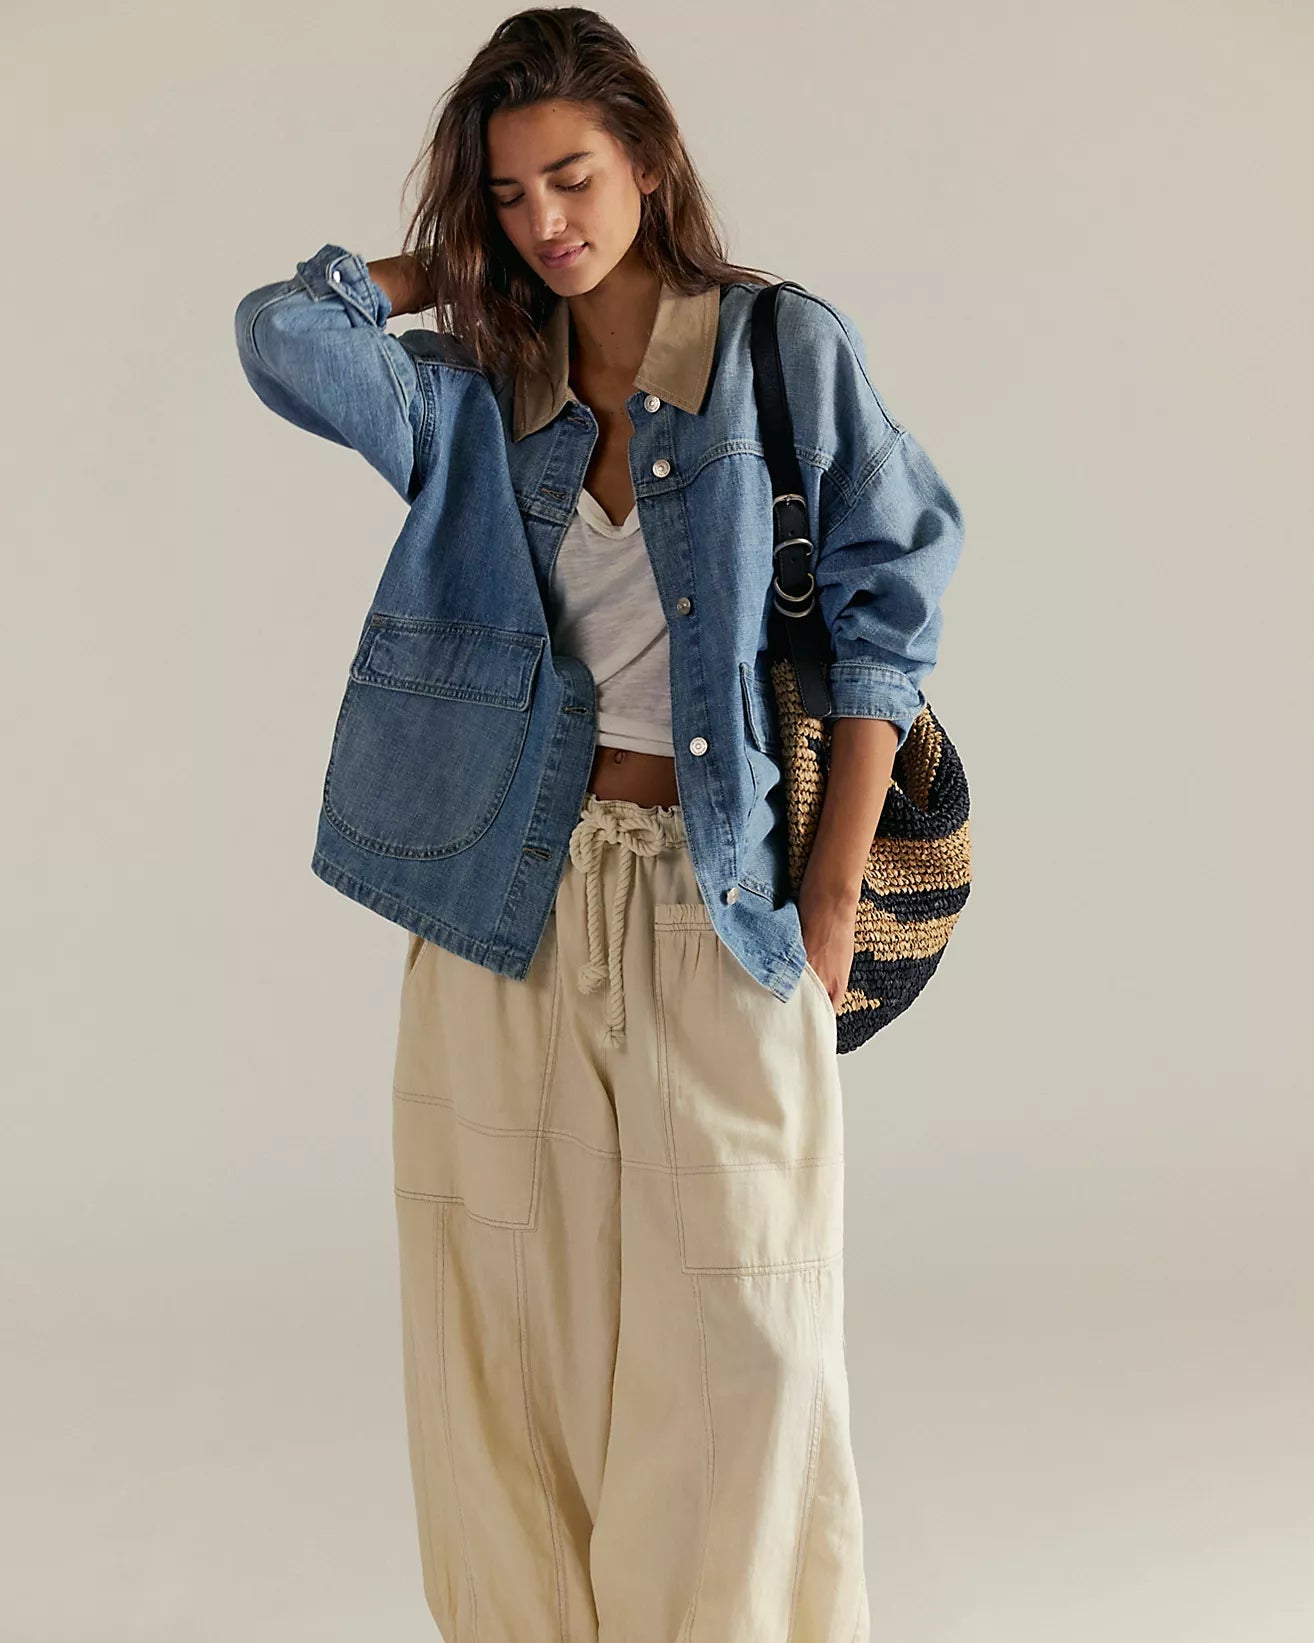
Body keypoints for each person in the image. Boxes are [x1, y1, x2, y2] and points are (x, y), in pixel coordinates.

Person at [233, 9, 965, 1639]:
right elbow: (283, 334)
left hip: (722, 901)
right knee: (509, 1322)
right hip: (508, 899)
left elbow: (884, 617)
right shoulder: (477, 396)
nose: (545, 223)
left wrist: (830, 898)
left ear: (648, 156)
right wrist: (437, 273)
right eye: (505, 198)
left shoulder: (780, 349)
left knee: (744, 1327)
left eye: (570, 176)